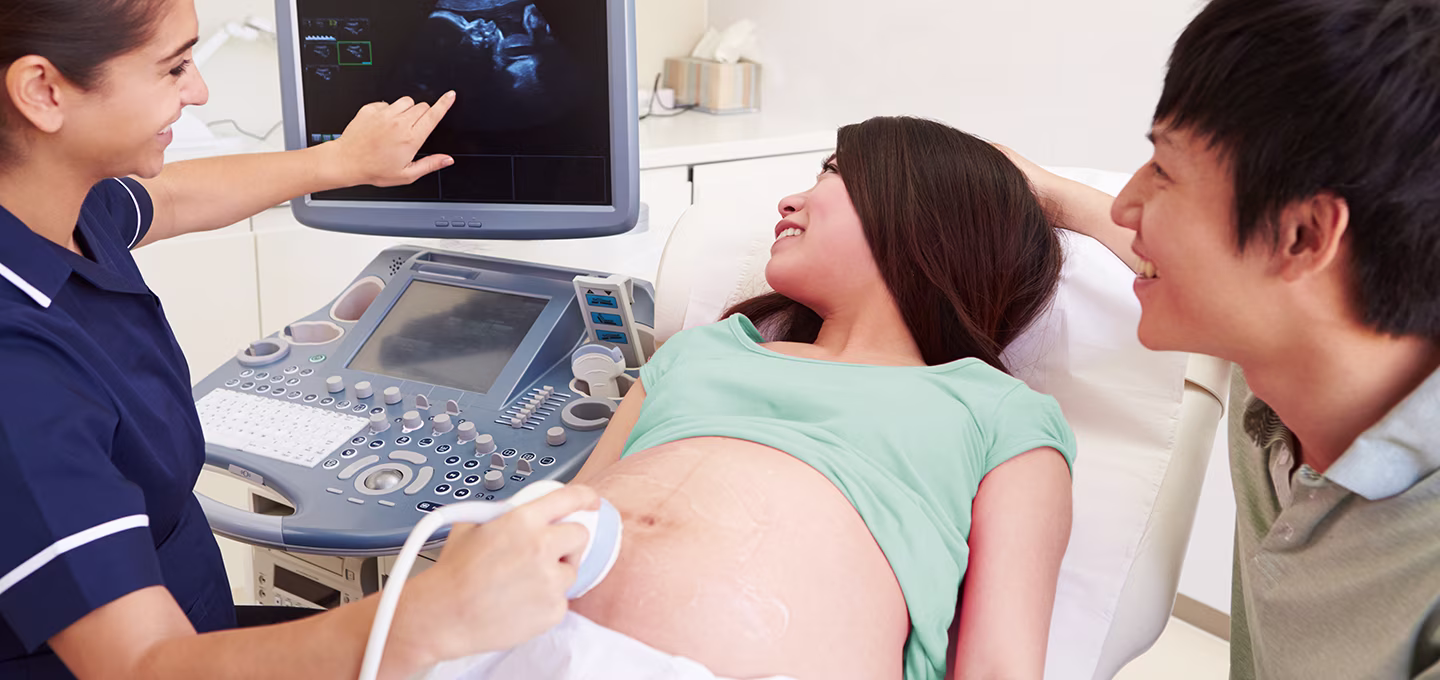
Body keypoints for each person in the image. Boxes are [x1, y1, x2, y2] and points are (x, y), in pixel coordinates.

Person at [0, 0, 600, 677]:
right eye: (174, 68)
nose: (197, 90)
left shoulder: (57, 206)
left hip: (198, 624)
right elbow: (142, 665)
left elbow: (170, 200)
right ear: (43, 91)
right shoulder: (15, 374)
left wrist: (341, 160)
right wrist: (433, 609)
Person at [1002, 0, 1440, 677]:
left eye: (1164, 170)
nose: (1124, 205)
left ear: (1304, 237)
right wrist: (1042, 191)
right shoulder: (1285, 359)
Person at [566, 116, 1078, 680]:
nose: (789, 201)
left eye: (832, 174)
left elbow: (1001, 668)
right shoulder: (696, 352)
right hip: (517, 642)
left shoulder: (996, 412)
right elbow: (565, 510)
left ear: (925, 216)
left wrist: (1048, 193)